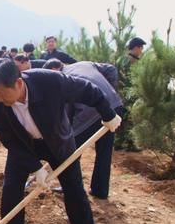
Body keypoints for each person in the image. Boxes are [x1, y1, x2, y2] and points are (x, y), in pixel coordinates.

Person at [0, 58, 121, 224]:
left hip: (58, 143)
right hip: (23, 146)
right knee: (11, 190)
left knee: (75, 192)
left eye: (2, 93)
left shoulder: (50, 82)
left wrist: (108, 114)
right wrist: (35, 167)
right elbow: (9, 141)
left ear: (18, 84)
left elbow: (88, 90)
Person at [43, 59, 123, 199]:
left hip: (91, 112)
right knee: (104, 150)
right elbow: (111, 69)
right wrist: (110, 90)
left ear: (55, 68)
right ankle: (100, 190)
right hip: (114, 107)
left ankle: (70, 186)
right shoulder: (85, 64)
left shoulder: (63, 78)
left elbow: (67, 115)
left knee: (71, 149)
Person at [115, 36, 147, 151]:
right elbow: (133, 80)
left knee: (120, 117)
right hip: (130, 95)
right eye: (141, 48)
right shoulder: (133, 62)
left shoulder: (120, 59)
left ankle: (118, 142)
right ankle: (130, 143)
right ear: (136, 48)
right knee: (131, 118)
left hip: (119, 94)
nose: (141, 51)